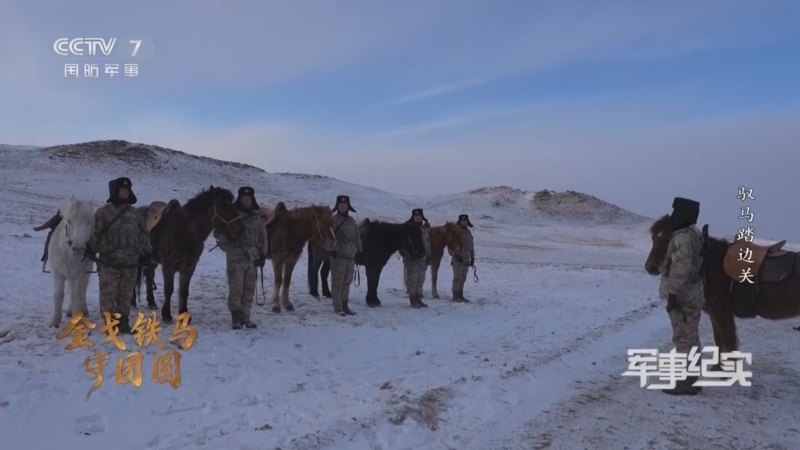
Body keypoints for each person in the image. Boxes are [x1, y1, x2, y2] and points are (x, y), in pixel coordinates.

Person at [87, 177, 152, 334]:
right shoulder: (103, 212)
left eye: (127, 189)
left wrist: (147, 252)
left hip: (131, 264)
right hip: (109, 263)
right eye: (122, 189)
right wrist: (90, 247)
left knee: (126, 295)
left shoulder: (136, 214)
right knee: (108, 295)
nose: (125, 191)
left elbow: (144, 235)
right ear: (115, 191)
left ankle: (123, 323)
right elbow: (95, 233)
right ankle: (111, 324)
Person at [660, 197, 705, 395]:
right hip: (693, 294)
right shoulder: (694, 235)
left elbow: (681, 268)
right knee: (692, 337)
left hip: (683, 296)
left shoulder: (682, 238)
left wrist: (672, 294)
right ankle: (692, 379)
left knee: (683, 338)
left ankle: (685, 382)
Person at [214, 186, 268, 329]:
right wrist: (227, 236)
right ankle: (236, 318)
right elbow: (217, 233)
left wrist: (263, 255)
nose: (246, 200)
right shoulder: (231, 214)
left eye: (249, 197)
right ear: (239, 198)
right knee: (236, 288)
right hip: (235, 257)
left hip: (252, 258)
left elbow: (263, 237)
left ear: (252, 199)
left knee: (249, 289)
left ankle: (246, 317)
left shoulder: (256, 217)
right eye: (244, 197)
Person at [328, 195, 362, 316]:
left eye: (345, 204)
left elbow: (357, 237)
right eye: (340, 204)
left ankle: (345, 304)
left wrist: (359, 252)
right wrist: (331, 249)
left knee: (347, 282)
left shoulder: (352, 221)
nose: (342, 206)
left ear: (348, 206)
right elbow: (328, 237)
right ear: (337, 205)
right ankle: (338, 307)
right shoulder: (333, 220)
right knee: (338, 282)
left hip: (351, 257)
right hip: (338, 256)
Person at [403, 208, 431, 308]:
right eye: (416, 216)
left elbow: (427, 243)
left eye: (419, 216)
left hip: (423, 258)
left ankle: (418, 298)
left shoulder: (423, 229)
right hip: (412, 259)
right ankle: (412, 299)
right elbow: (404, 244)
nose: (418, 217)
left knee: (421, 279)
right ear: (413, 217)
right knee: (412, 279)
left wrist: (428, 256)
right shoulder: (408, 228)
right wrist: (408, 255)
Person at [450, 214, 475, 302]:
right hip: (458, 259)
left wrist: (472, 257)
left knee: (463, 277)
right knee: (457, 277)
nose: (464, 223)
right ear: (459, 222)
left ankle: (460, 294)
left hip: (466, 259)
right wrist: (456, 255)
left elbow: (471, 246)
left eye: (465, 221)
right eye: (462, 221)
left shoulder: (468, 232)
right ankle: (455, 295)